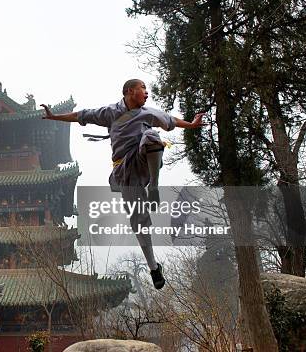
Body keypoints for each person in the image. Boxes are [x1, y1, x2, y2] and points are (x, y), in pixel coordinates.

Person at [41, 79, 206, 289]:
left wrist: (191, 124)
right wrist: (55, 117)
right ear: (130, 91)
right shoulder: (110, 112)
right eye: (143, 89)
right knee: (138, 219)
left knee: (151, 135)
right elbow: (81, 115)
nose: (146, 93)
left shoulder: (148, 113)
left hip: (144, 159)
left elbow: (170, 121)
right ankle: (154, 266)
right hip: (124, 171)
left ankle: (154, 185)